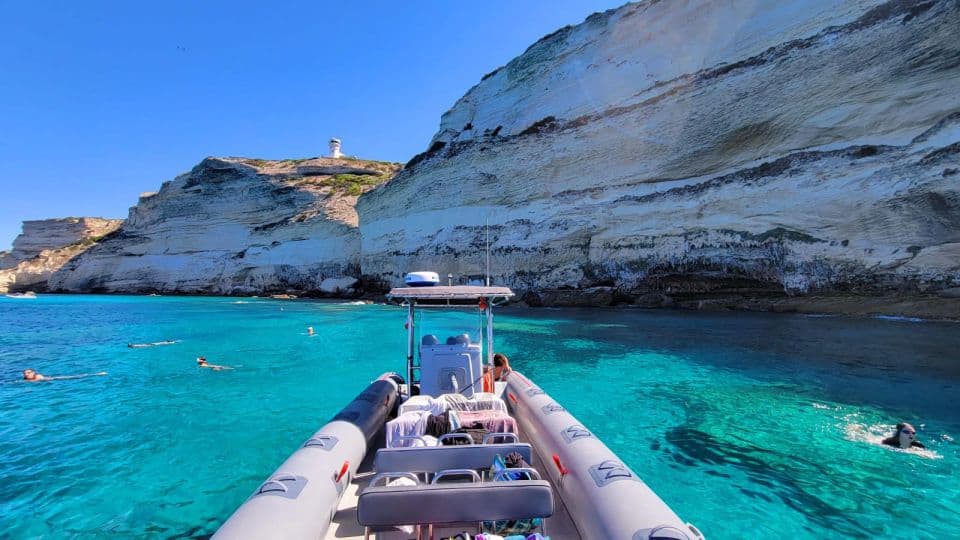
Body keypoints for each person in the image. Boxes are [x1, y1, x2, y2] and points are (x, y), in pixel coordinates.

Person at [23, 369, 107, 382]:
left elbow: (42, 380)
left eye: (28, 372)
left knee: (75, 377)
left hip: (55, 379)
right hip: (54, 378)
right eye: (25, 373)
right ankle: (97, 374)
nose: (26, 374)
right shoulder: (27, 379)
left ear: (34, 372)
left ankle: (97, 374)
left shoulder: (38, 377)